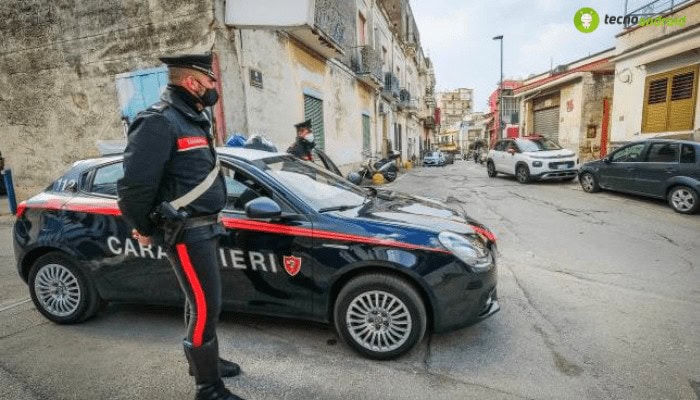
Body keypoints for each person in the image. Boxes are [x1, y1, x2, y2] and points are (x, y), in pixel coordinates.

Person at [116, 53, 244, 400]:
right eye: (210, 82)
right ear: (192, 82)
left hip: (205, 227)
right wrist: (143, 227)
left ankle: (205, 363)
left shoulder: (192, 118)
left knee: (198, 300)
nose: (214, 88)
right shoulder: (159, 121)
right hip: (186, 232)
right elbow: (133, 188)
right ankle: (208, 388)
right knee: (206, 305)